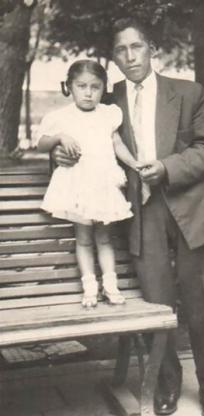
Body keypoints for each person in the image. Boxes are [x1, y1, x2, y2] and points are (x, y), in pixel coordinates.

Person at [53, 19, 204, 416]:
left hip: (191, 208)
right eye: (120, 50)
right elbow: (73, 132)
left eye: (136, 47)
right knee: (156, 301)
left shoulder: (187, 93)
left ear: (151, 49)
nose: (130, 57)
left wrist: (166, 168)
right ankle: (165, 382)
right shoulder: (103, 98)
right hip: (140, 210)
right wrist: (61, 152)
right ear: (112, 58)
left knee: (201, 300)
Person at [35, 59, 140, 309]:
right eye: (81, 86)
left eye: (95, 87)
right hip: (78, 185)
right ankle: (89, 288)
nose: (88, 92)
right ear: (69, 87)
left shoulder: (109, 114)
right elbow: (41, 143)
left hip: (103, 184)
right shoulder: (60, 117)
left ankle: (111, 287)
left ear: (103, 89)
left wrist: (136, 164)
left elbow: (117, 145)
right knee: (83, 239)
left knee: (104, 239)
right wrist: (60, 136)